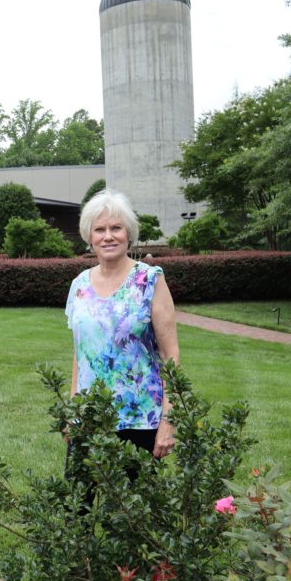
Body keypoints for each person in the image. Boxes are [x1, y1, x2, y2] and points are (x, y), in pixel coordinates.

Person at [65, 189, 180, 462]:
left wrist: (169, 419)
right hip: (88, 418)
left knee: (134, 505)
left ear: (128, 233)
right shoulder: (79, 285)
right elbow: (80, 354)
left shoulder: (150, 280)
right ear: (89, 237)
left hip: (139, 420)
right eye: (100, 229)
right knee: (79, 504)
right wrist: (72, 412)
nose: (108, 236)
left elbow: (170, 355)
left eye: (116, 228)